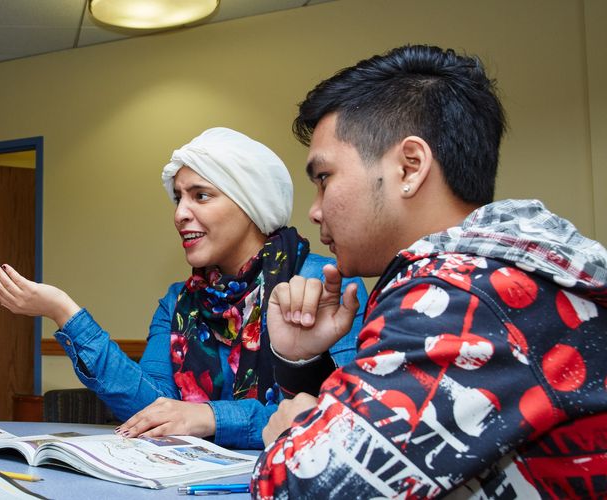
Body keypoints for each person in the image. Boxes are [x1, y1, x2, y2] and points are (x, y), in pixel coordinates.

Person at [256, 45, 607, 498]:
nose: (315, 210)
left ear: (409, 167)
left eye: (323, 178)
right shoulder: (495, 275)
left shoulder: (464, 293)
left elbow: (300, 488)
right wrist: (303, 366)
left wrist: (290, 436)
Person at [0, 127, 368, 449]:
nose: (180, 213)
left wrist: (209, 416)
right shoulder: (178, 302)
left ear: (252, 204)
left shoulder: (324, 285)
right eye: (178, 197)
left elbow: (340, 414)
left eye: (201, 195)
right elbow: (151, 407)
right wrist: (64, 312)